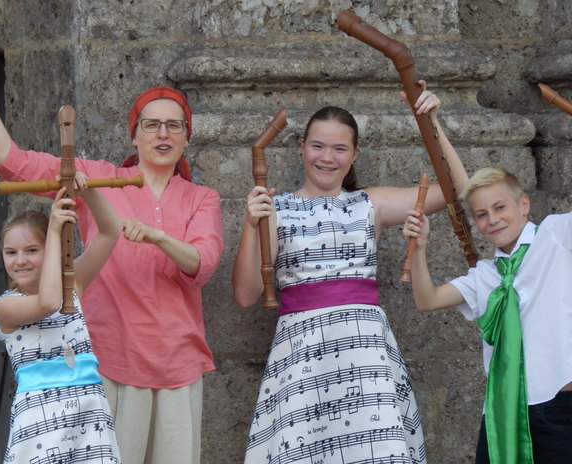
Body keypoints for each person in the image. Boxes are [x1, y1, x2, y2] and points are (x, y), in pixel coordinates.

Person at [0, 41, 224, 464]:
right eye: (151, 125)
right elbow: (14, 163)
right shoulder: (99, 177)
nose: (163, 134)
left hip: (178, 363)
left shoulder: (201, 198)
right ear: (134, 134)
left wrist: (157, 237)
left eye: (174, 126)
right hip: (110, 360)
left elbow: (203, 264)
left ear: (188, 138)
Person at [232, 83, 468, 463]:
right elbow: (245, 295)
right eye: (318, 146)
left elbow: (458, 189)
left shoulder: (370, 203)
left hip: (366, 357)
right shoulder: (276, 208)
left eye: (340, 148)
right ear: (302, 148)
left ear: (354, 154)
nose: (327, 158)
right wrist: (250, 223)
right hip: (301, 357)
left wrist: (432, 123)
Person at [402, 166, 572, 463]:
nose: (492, 219)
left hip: (557, 403)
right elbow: (428, 300)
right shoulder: (484, 275)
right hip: (501, 412)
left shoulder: (556, 236)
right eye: (481, 214)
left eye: (500, 207)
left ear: (524, 204)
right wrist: (420, 247)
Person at [0, 181, 122, 463]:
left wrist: (86, 189)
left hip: (89, 412)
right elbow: (47, 303)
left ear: (49, 249)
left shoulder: (72, 283)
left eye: (32, 250)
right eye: (11, 252)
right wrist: (53, 230)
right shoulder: (5, 306)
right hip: (38, 421)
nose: (20, 261)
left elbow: (110, 231)